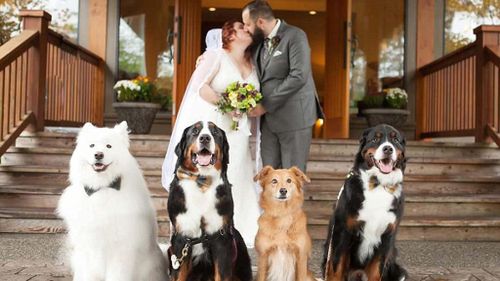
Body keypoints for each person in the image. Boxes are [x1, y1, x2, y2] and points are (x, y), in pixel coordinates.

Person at [162, 22, 260, 247]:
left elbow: (256, 100)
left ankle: (239, 228)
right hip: (214, 125)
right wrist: (228, 102)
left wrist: (246, 106)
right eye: (241, 27)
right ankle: (203, 225)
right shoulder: (216, 56)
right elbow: (199, 86)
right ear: (230, 35)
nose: (247, 29)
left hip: (238, 132)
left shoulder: (252, 63)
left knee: (236, 172)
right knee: (209, 173)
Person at [243, 0, 324, 172]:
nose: (246, 29)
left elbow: (298, 75)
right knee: (269, 176)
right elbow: (233, 46)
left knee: (292, 177)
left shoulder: (295, 35)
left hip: (294, 118)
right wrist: (209, 57)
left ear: (260, 22)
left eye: (247, 24)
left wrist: (265, 105)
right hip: (269, 122)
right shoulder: (257, 43)